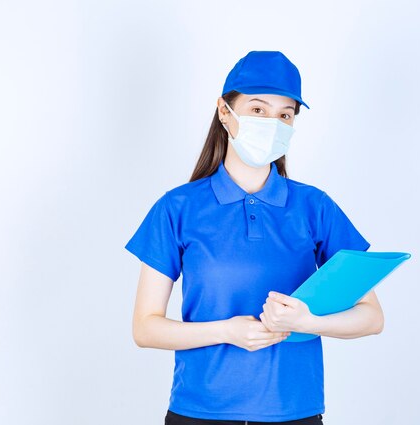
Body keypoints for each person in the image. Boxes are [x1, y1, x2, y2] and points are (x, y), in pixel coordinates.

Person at [125, 51, 384, 425]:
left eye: (285, 115)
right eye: (258, 110)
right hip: (199, 412)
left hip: (293, 413)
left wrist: (308, 322)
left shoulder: (315, 207)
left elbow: (371, 317)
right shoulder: (177, 208)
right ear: (224, 112)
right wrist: (226, 331)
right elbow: (145, 328)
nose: (273, 123)